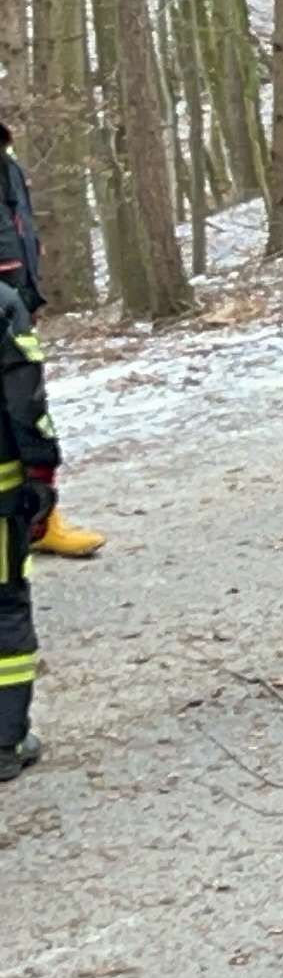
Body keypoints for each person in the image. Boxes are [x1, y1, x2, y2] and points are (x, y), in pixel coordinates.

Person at [0, 118, 92, 559]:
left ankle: (40, 517)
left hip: (16, 299)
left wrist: (28, 291)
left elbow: (17, 222)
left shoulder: (7, 155)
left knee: (27, 410)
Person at [0, 277, 62, 779]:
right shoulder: (3, 307)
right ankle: (5, 740)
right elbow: (26, 401)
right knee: (4, 608)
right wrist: (41, 472)